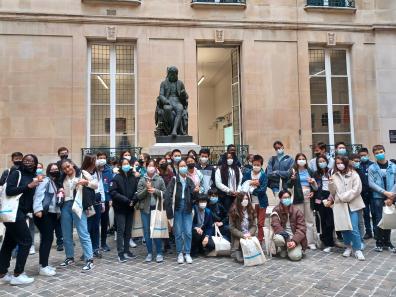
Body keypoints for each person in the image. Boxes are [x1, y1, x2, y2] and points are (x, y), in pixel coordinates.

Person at [0, 154, 39, 285]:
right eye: (26, 160)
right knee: (26, 241)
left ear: (35, 164)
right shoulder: (16, 173)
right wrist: (29, 186)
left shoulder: (31, 176)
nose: (28, 162)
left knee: (9, 243)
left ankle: (2, 273)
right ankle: (18, 274)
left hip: (20, 212)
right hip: (13, 212)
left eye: (31, 161)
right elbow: (9, 191)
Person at [59, 158, 96, 271]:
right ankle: (69, 257)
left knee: (83, 232)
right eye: (64, 168)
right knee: (66, 234)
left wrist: (86, 183)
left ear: (72, 164)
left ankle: (89, 260)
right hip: (66, 205)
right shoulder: (62, 177)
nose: (67, 169)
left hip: (78, 204)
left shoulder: (82, 173)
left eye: (68, 166)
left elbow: (95, 185)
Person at [329, 156, 365, 261]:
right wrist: (331, 183)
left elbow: (357, 189)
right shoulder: (334, 175)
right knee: (344, 228)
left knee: (354, 227)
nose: (339, 165)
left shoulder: (354, 174)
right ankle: (348, 247)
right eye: (337, 163)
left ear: (345, 163)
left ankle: (357, 249)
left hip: (353, 204)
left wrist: (343, 197)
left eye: (341, 162)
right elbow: (332, 192)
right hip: (340, 205)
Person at [165, 159, 198, 264]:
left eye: (185, 166)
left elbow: (195, 197)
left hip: (187, 208)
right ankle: (179, 253)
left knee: (188, 232)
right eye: (181, 166)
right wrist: (169, 213)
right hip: (177, 208)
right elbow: (168, 196)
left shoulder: (189, 180)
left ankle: (187, 253)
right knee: (178, 232)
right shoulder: (174, 180)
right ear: (178, 168)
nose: (183, 168)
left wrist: (196, 191)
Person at [32, 163, 61, 277]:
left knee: (47, 239)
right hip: (44, 214)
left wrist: (58, 212)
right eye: (52, 169)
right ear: (48, 170)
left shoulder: (55, 182)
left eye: (56, 169)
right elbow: (38, 195)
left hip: (52, 213)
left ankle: (43, 264)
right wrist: (37, 209)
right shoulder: (45, 180)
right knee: (47, 239)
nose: (55, 170)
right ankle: (43, 267)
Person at [137, 160, 167, 263]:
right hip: (145, 209)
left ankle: (159, 253)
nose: (151, 167)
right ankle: (149, 253)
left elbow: (165, 193)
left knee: (156, 231)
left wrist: (155, 191)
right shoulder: (142, 179)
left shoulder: (159, 179)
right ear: (146, 167)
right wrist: (147, 189)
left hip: (156, 208)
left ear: (155, 167)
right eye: (149, 165)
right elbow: (139, 195)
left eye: (152, 166)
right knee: (147, 232)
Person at [287, 153, 318, 250]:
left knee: (309, 220)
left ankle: (310, 242)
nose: (301, 160)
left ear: (306, 160)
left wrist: (313, 191)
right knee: (298, 220)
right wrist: (292, 179)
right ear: (296, 161)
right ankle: (299, 240)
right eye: (299, 159)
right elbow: (288, 185)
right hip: (298, 197)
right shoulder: (293, 171)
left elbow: (314, 185)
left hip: (308, 196)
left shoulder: (310, 171)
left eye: (303, 159)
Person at [110, 158, 138, 262]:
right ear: (121, 165)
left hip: (130, 208)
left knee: (128, 231)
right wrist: (126, 200)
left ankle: (127, 251)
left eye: (127, 163)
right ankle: (120, 253)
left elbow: (136, 191)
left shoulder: (132, 177)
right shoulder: (116, 178)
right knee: (121, 231)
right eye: (124, 163)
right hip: (120, 208)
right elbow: (113, 192)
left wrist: (133, 201)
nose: (126, 165)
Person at [368, 145, 396, 252]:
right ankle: (379, 242)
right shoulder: (372, 168)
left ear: (384, 151)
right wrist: (384, 192)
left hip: (391, 197)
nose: (379, 154)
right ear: (374, 155)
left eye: (381, 151)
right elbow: (371, 183)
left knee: (388, 219)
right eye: (377, 153)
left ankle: (387, 242)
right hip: (377, 197)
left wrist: (391, 195)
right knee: (379, 220)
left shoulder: (393, 166)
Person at [270, 190, 307, 261]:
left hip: (295, 238)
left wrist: (294, 241)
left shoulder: (297, 211)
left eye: (288, 197)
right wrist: (288, 239)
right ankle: (284, 248)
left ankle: (292, 248)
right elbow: (276, 226)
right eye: (284, 198)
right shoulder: (276, 210)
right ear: (280, 199)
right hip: (284, 237)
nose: (287, 199)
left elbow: (302, 228)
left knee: (296, 257)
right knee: (277, 238)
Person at [241, 154, 268, 246]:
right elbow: (243, 185)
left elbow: (263, 190)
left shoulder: (264, 175)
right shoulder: (248, 173)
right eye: (254, 164)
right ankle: (250, 238)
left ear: (261, 165)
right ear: (252, 164)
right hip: (249, 202)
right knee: (250, 222)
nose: (256, 166)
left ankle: (260, 240)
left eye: (258, 165)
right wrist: (252, 183)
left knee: (260, 223)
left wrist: (252, 189)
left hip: (261, 202)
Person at [83, 155, 105, 259]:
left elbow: (100, 187)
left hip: (97, 201)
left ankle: (95, 248)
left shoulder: (97, 172)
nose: (96, 162)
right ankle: (87, 250)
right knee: (88, 226)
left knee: (96, 226)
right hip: (88, 202)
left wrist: (103, 202)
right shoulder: (82, 173)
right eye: (94, 160)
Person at [313, 155, 334, 252]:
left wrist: (331, 197)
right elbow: (315, 188)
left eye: (323, 161)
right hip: (320, 197)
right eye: (319, 162)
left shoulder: (331, 171)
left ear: (326, 161)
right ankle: (325, 242)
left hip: (330, 196)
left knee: (330, 221)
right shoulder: (316, 174)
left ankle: (331, 242)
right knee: (322, 221)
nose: (321, 163)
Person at [229, 192, 257, 263]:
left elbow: (254, 225)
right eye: (243, 199)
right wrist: (242, 235)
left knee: (253, 257)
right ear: (239, 200)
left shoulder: (251, 210)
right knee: (241, 259)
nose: (245, 200)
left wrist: (249, 233)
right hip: (239, 238)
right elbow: (232, 228)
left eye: (247, 199)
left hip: (249, 237)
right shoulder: (233, 211)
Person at [96, 152, 113, 252]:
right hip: (96, 199)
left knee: (104, 222)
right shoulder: (94, 169)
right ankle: (95, 244)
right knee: (95, 223)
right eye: (100, 158)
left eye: (104, 158)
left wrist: (110, 198)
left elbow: (111, 185)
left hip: (106, 199)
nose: (102, 159)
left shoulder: (108, 170)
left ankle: (103, 243)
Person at [358, 147, 374, 240]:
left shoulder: (373, 165)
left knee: (375, 213)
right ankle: (368, 232)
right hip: (363, 194)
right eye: (361, 156)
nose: (363, 157)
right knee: (366, 214)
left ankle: (376, 231)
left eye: (364, 155)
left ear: (368, 155)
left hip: (372, 192)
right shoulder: (358, 166)